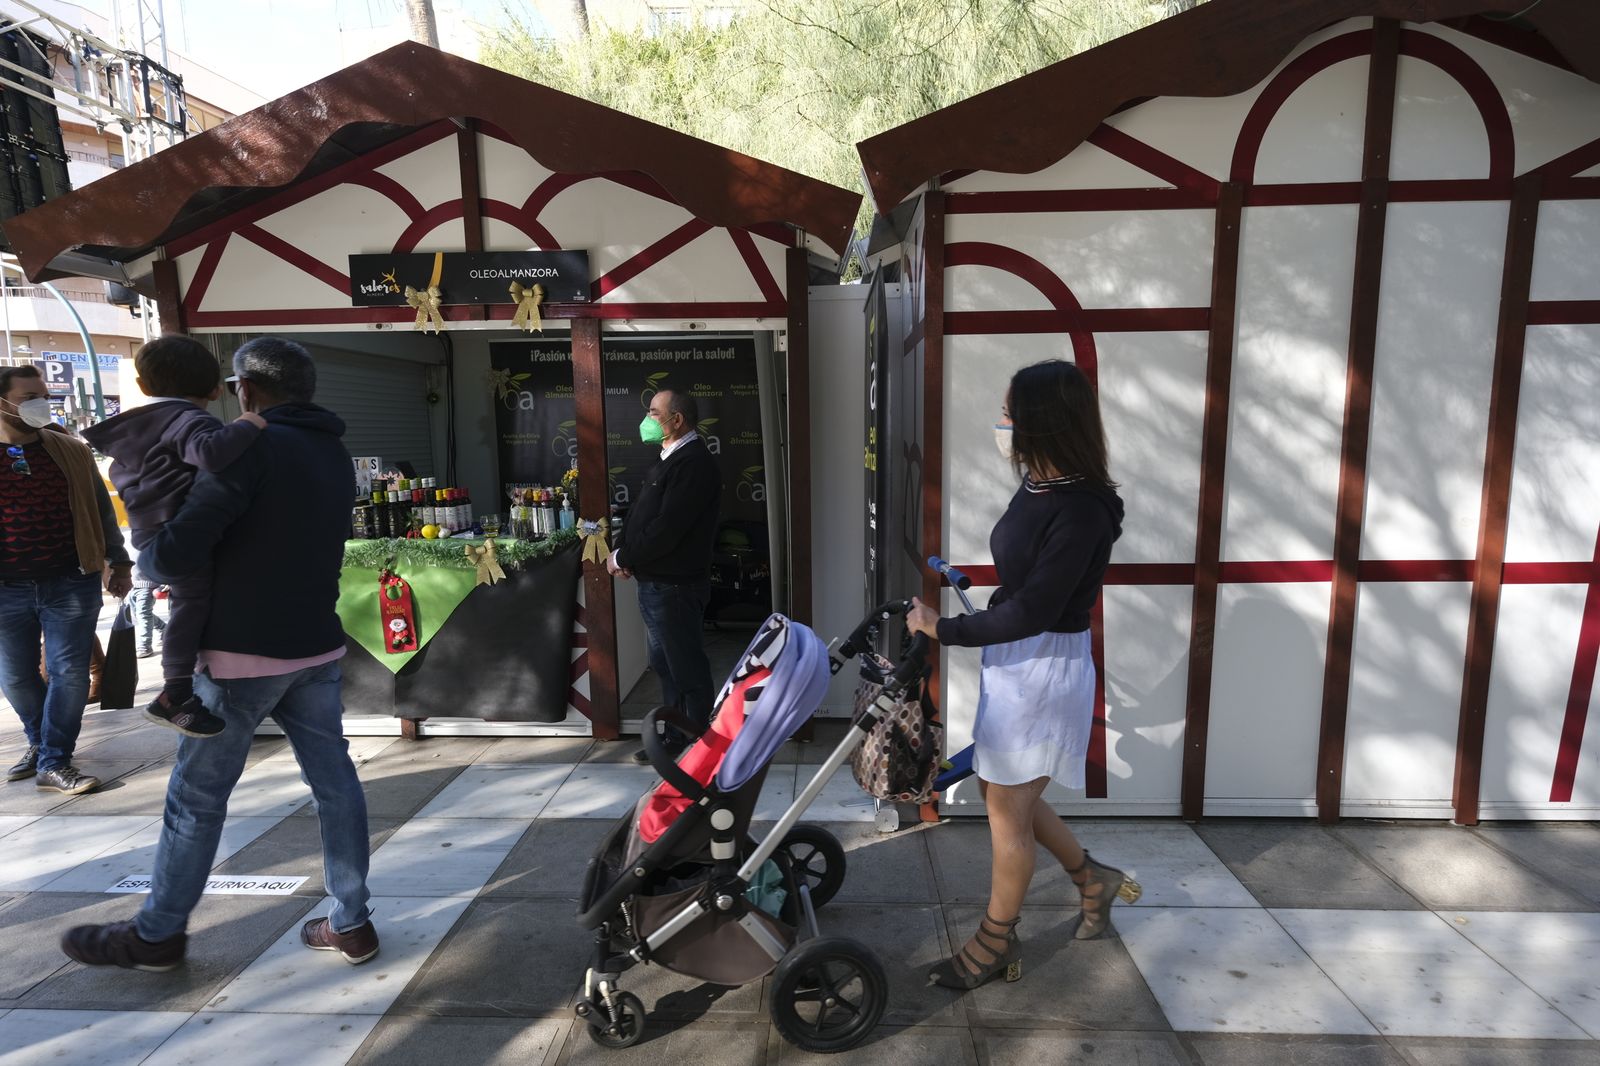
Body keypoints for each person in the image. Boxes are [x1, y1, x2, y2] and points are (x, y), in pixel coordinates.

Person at [62, 337, 379, 971]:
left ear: (249, 392)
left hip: (237, 653)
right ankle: (352, 922)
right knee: (335, 783)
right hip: (314, 643)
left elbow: (173, 555)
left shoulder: (249, 449)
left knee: (197, 800)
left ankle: (156, 936)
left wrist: (147, 552)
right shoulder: (332, 450)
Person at [906, 359, 1137, 990]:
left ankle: (993, 944)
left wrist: (941, 629)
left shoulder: (1083, 509)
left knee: (1007, 809)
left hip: (1043, 669)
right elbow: (1025, 579)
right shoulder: (1037, 483)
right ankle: (1094, 879)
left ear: (1043, 422)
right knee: (1001, 793)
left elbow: (1038, 608)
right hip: (1013, 660)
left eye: (1010, 413)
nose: (1001, 423)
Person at [83, 334, 268, 738]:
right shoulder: (187, 419)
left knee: (189, 603)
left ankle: (180, 686)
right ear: (216, 389)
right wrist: (248, 423)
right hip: (176, 531)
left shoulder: (136, 423)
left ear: (144, 385)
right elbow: (211, 454)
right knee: (192, 603)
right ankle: (175, 693)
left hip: (150, 531)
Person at [0, 364, 132, 796]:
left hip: (70, 581)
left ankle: (55, 759)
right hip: (6, 589)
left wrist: (119, 561)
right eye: (27, 398)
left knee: (68, 672)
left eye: (43, 395)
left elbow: (100, 510)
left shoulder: (69, 450)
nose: (40, 405)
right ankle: (40, 744)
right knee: (16, 676)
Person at [606, 388, 721, 763]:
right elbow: (644, 516)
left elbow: (667, 529)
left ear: (677, 420)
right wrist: (626, 556)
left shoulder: (693, 463)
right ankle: (675, 736)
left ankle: (704, 743)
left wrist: (625, 554)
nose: (647, 418)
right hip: (657, 583)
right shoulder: (669, 458)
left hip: (675, 586)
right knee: (667, 666)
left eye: (654, 412)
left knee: (686, 667)